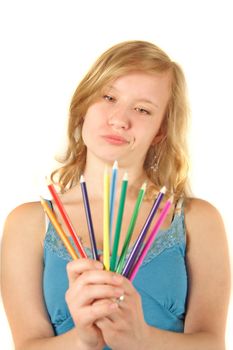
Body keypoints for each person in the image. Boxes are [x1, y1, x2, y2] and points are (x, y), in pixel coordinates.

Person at [1, 40, 231, 350]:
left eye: (143, 109)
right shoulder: (28, 223)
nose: (119, 119)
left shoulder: (195, 219)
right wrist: (82, 339)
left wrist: (142, 338)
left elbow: (212, 344)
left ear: (160, 130)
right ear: (84, 104)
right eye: (108, 97)